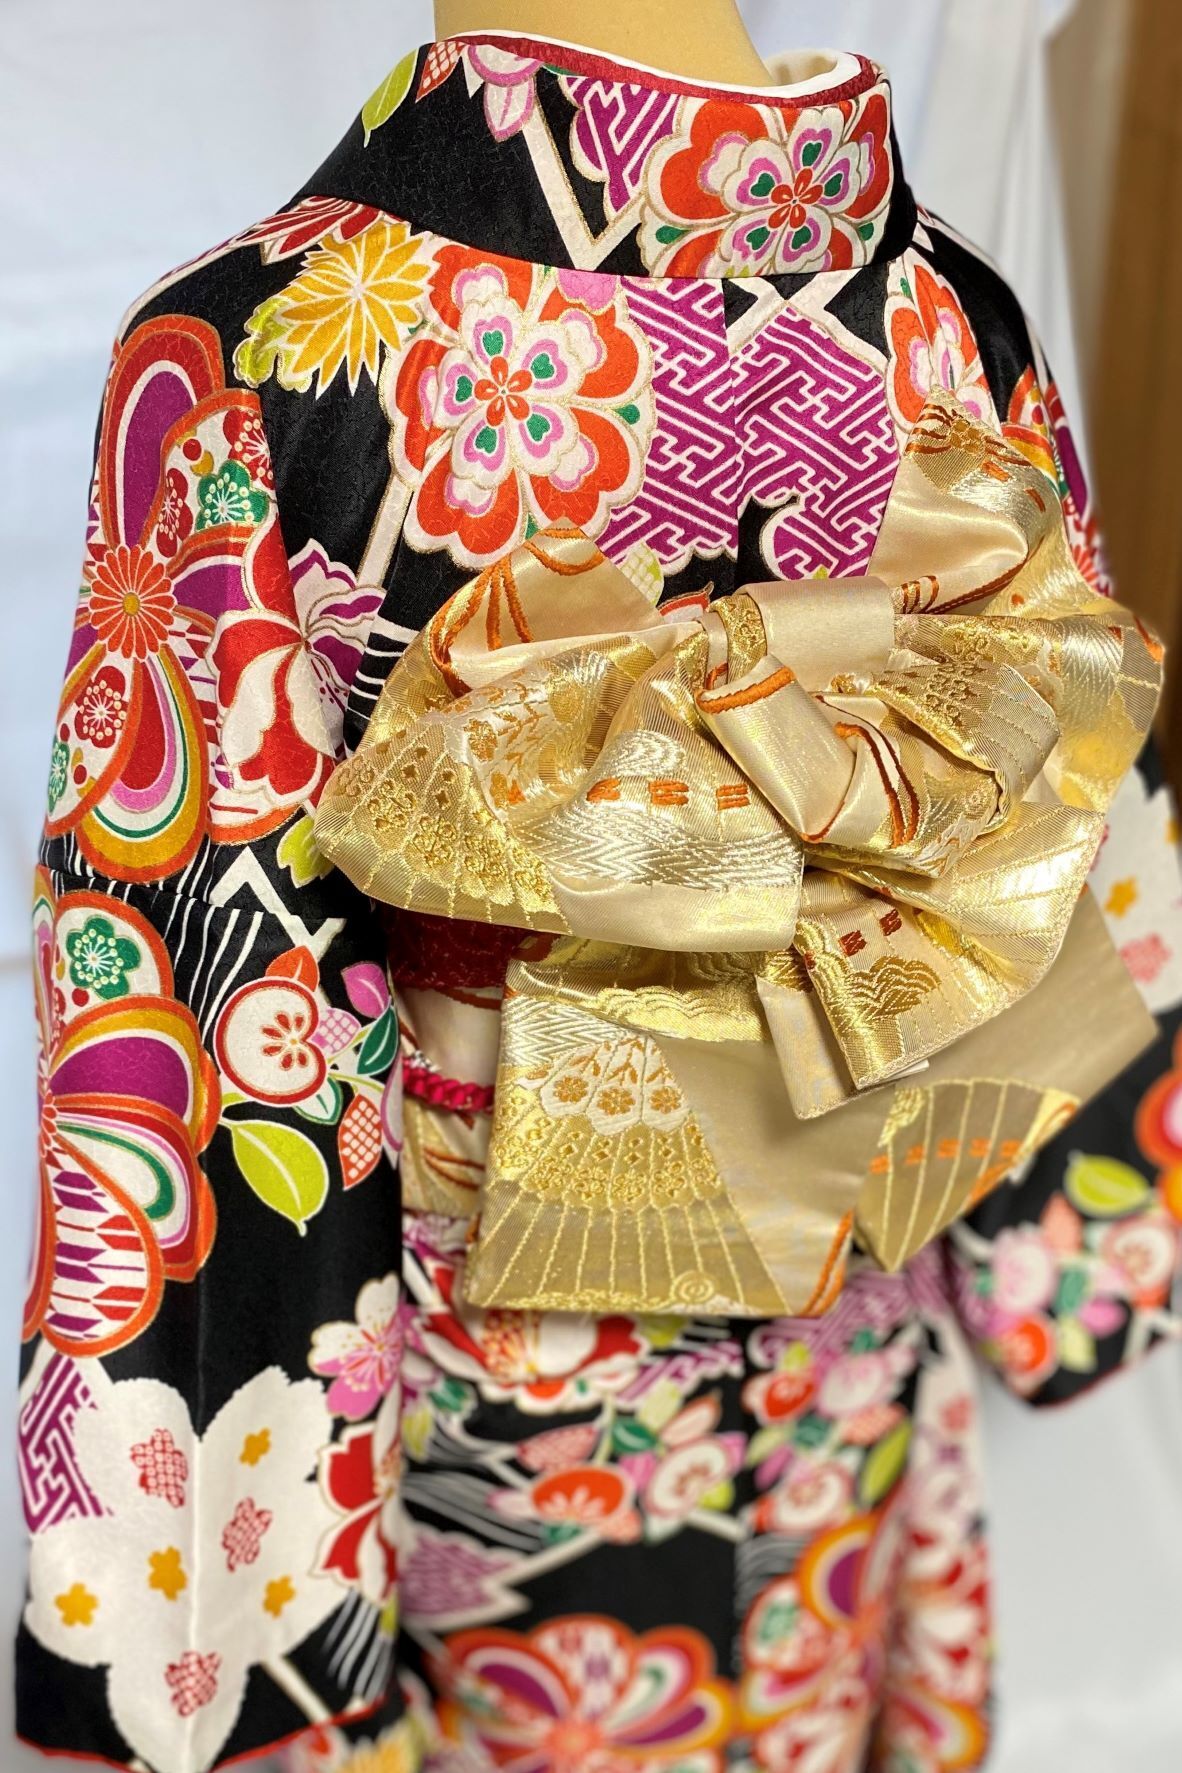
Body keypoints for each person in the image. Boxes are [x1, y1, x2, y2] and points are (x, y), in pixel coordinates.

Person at [15, 9, 1182, 1772]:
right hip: (845, 1289)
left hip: (501, 1388)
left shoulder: (253, 354)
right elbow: (1059, 818)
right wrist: (1080, 1249)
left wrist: (220, 1610)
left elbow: (198, 1012)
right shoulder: (950, 309)